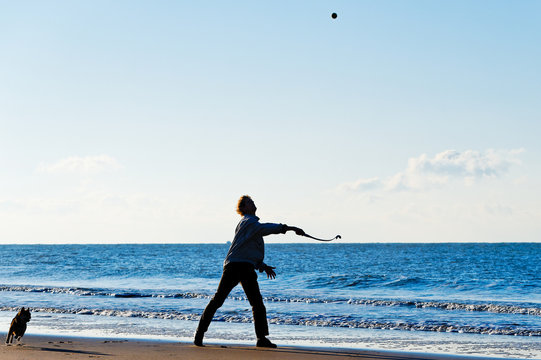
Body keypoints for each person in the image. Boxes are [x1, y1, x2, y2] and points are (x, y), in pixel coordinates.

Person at [194, 195, 305, 348]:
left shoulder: (250, 225)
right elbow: (266, 228)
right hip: (234, 267)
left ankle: (261, 339)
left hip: (244, 267)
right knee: (220, 301)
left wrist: (262, 265)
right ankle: (200, 333)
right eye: (250, 202)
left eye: (253, 202)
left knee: (256, 304)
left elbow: (249, 249)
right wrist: (289, 228)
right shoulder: (248, 222)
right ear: (244, 208)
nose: (253, 204)